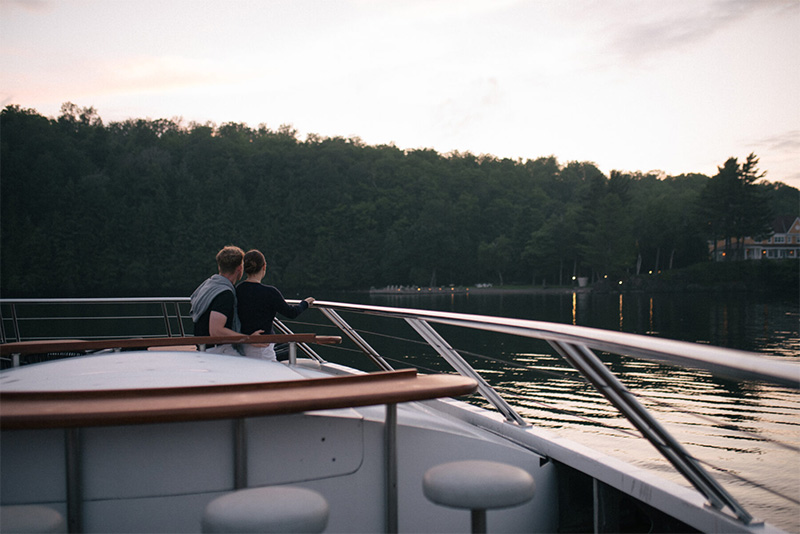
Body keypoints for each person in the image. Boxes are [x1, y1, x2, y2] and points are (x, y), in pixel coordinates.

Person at [236, 249, 314, 360]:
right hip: (263, 347)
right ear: (264, 267)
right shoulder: (270, 292)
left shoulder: (238, 289)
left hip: (243, 345)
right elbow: (291, 313)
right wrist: (305, 303)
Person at [190, 245, 260, 356]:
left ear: (220, 267)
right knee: (254, 364)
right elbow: (216, 331)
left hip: (204, 348)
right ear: (239, 269)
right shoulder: (224, 294)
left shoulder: (209, 285)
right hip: (217, 350)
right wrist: (249, 338)